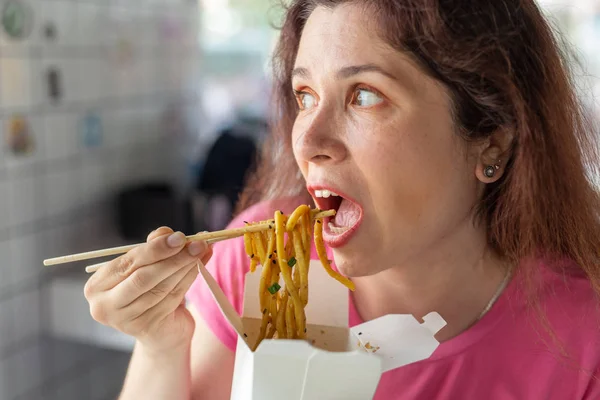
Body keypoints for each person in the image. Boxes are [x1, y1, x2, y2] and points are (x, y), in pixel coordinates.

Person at [83, 1, 600, 398]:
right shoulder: (262, 262)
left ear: (491, 138)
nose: (307, 142)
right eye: (305, 96)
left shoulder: (582, 333)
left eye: (365, 95)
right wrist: (161, 342)